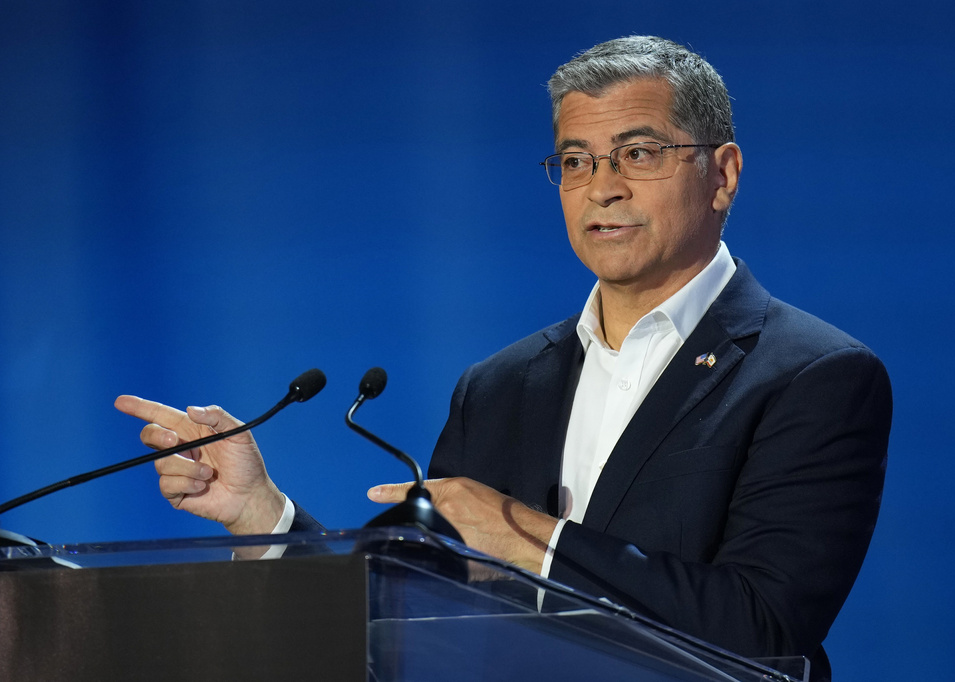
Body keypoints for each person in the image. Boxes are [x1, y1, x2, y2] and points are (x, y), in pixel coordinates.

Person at [116, 36, 891, 681]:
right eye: (576, 160)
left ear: (721, 174)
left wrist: (532, 541)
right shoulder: (500, 384)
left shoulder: (813, 375)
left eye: (638, 152)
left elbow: (763, 628)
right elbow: (407, 612)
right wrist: (263, 516)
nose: (602, 189)